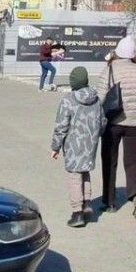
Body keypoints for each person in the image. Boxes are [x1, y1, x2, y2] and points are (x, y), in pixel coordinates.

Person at [98, 36, 136, 219]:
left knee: (109, 160)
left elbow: (100, 97)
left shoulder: (109, 69)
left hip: (113, 122)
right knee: (133, 162)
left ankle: (109, 202)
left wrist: (96, 122)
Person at [50, 67, 105, 228]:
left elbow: (61, 126)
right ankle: (87, 203)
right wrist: (96, 135)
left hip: (73, 144)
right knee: (85, 172)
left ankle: (77, 212)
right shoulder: (96, 99)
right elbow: (103, 121)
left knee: (75, 176)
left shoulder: (68, 100)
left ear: (73, 82)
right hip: (90, 144)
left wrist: (55, 147)